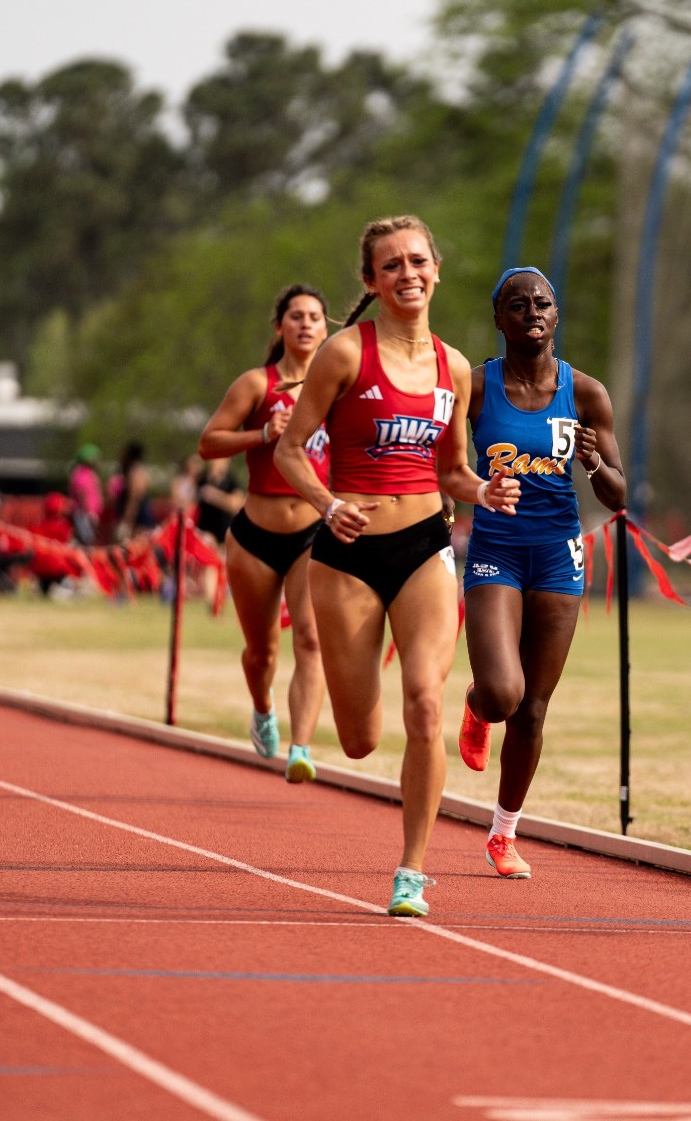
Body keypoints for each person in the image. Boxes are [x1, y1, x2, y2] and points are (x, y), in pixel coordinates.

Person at [274, 215, 519, 917]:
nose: (407, 274)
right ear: (371, 282)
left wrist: (485, 492)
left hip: (422, 547)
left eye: (418, 261)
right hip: (347, 556)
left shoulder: (457, 368)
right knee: (358, 738)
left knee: (426, 700)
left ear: (437, 269)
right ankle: (350, 733)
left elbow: (455, 472)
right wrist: (326, 504)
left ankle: (411, 870)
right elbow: (293, 450)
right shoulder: (345, 354)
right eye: (392, 266)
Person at [456, 266, 627, 880]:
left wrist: (594, 464)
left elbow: (618, 494)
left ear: (557, 316)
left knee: (532, 709)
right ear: (497, 317)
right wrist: (476, 491)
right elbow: (446, 465)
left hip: (558, 554)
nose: (533, 311)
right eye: (518, 303)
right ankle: (477, 706)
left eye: (544, 303)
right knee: (503, 694)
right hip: (495, 549)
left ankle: (503, 833)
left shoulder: (586, 394)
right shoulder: (476, 387)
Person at [199, 283, 335, 779]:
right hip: (255, 535)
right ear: (280, 327)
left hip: (312, 534)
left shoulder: (336, 387)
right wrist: (261, 433)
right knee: (262, 653)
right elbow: (208, 443)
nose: (305, 324)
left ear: (326, 328)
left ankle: (301, 749)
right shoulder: (257, 385)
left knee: (312, 639)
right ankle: (262, 709)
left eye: (315, 317)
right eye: (295, 316)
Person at [104, 442, 154, 544]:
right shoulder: (137, 471)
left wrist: (126, 522)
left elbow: (134, 499)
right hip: (137, 519)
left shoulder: (135, 472)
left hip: (138, 521)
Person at [195, 456, 243, 546]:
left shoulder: (231, 482)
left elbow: (236, 504)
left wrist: (215, 497)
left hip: (223, 534)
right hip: (204, 531)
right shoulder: (202, 480)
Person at [69, 445, 104, 545]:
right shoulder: (82, 474)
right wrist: (89, 512)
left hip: (88, 514)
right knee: (86, 540)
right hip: (84, 514)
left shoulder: (89, 473)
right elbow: (82, 494)